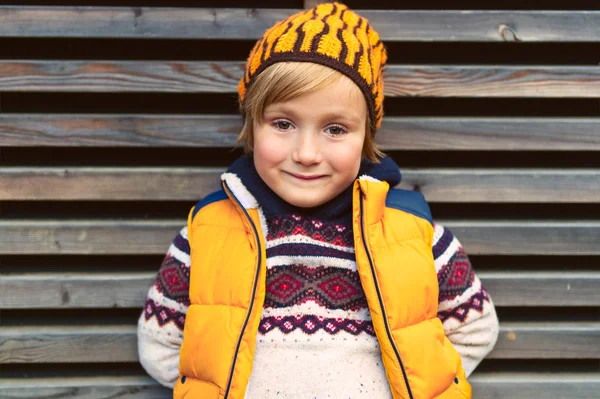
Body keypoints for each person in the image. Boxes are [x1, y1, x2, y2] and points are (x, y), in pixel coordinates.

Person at [137, 2, 499, 398]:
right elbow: (161, 341)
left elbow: (474, 328)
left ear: (366, 138)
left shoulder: (413, 234)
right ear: (252, 126)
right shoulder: (209, 232)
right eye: (283, 124)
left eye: (335, 128)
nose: (306, 153)